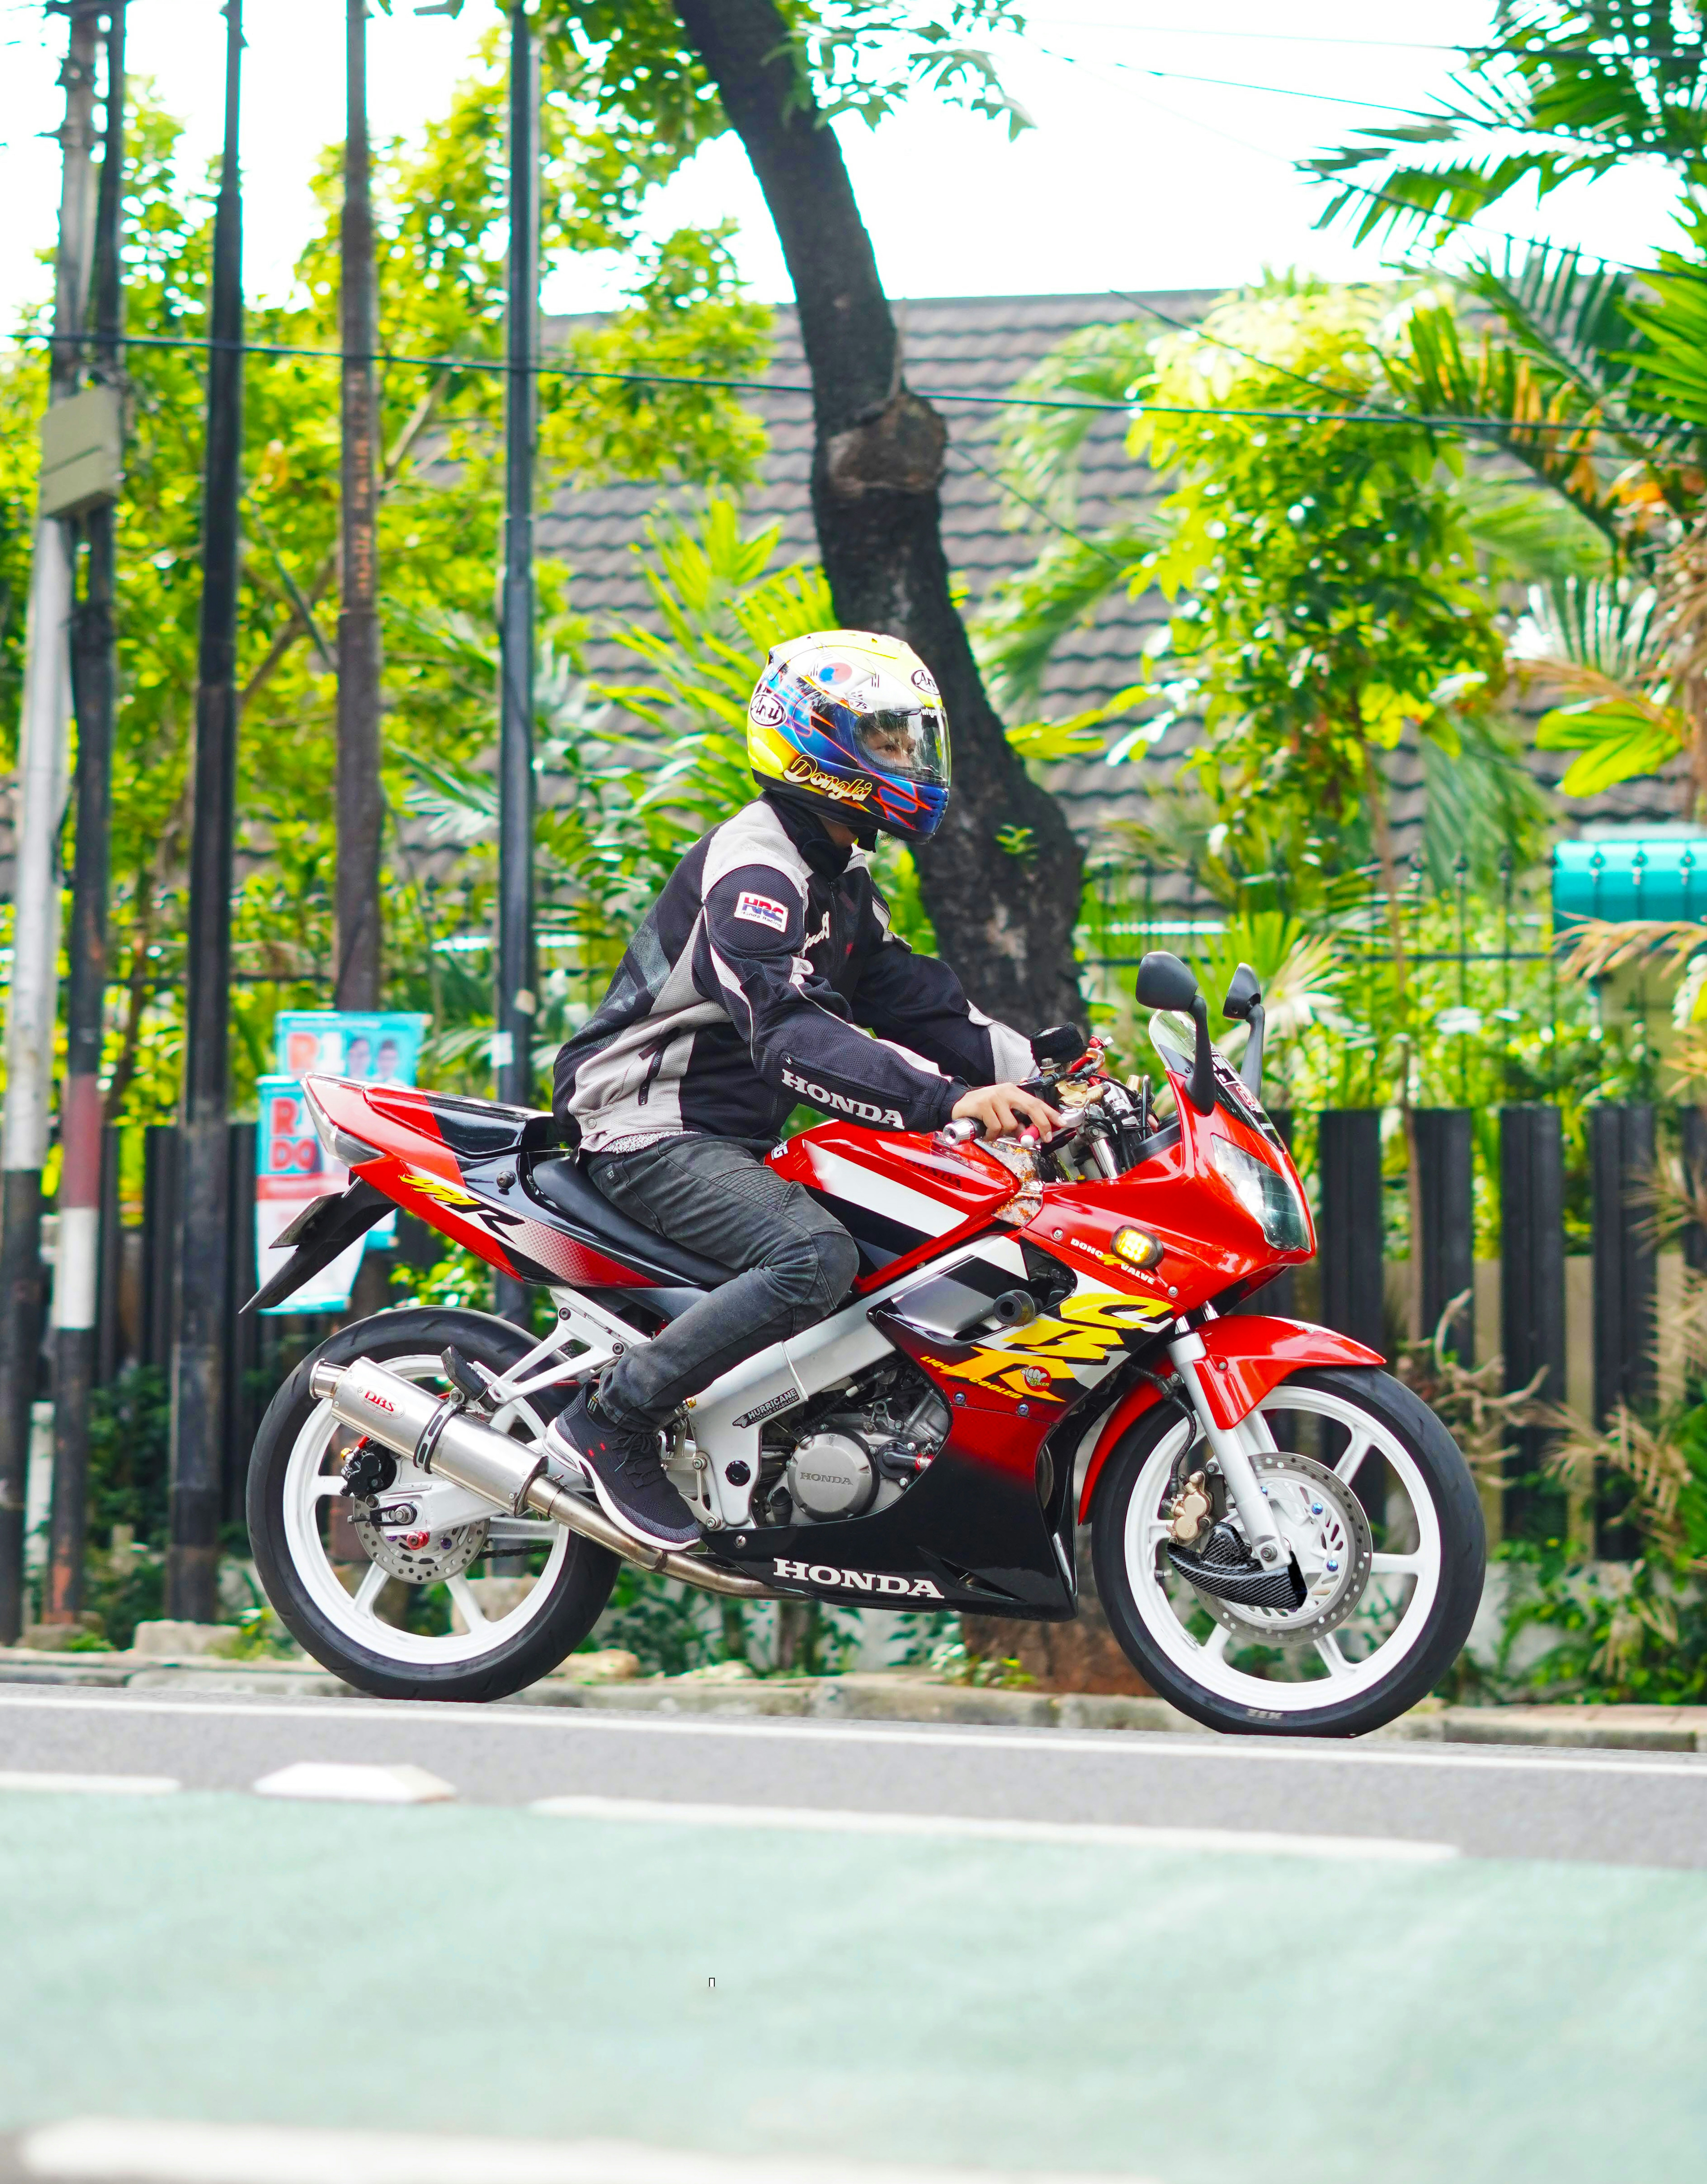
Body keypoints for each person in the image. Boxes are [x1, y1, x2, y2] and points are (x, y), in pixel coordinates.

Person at [548, 629, 1065, 1550]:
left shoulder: (837, 876)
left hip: (724, 1137)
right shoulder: (758, 873)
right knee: (813, 1259)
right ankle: (612, 1420)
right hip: (645, 1125)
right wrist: (945, 1103)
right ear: (815, 740)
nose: (909, 760)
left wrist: (1054, 1076)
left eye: (911, 741)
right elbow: (787, 1035)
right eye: (888, 740)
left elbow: (923, 1006)